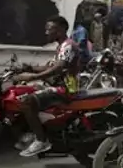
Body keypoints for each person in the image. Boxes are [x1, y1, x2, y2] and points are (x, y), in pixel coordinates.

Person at [12, 15, 80, 157]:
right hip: (57, 86)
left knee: (27, 101)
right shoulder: (61, 46)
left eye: (49, 29)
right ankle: (35, 130)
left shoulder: (69, 45)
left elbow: (59, 68)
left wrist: (32, 76)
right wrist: (28, 68)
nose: (46, 32)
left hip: (66, 88)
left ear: (60, 30)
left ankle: (41, 140)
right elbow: (49, 67)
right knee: (21, 93)